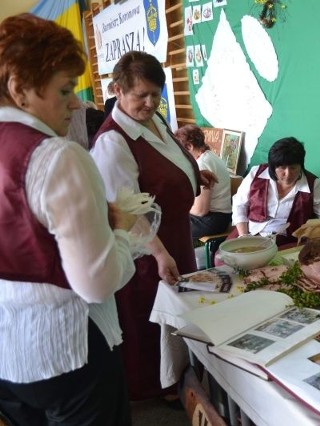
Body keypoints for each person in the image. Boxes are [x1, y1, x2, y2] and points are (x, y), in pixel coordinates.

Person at [0, 14, 137, 425]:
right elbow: (96, 284)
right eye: (64, 90)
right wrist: (123, 234)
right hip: (68, 352)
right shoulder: (58, 156)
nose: (76, 103)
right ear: (20, 90)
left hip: (9, 355)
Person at [91, 51, 211, 401]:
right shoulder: (113, 142)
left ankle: (179, 376)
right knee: (151, 318)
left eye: (156, 95)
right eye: (140, 95)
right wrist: (159, 254)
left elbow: (166, 161)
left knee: (177, 313)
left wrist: (192, 175)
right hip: (147, 249)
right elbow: (126, 214)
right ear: (117, 89)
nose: (149, 102)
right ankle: (161, 389)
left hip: (176, 236)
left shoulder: (152, 120)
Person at [229, 137, 320, 247]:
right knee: (222, 258)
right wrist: (243, 236)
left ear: (301, 165)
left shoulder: (313, 184)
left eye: (293, 168)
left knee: (265, 261)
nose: (288, 173)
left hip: (284, 239)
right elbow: (239, 204)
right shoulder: (256, 173)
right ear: (273, 167)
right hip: (248, 230)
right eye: (282, 168)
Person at [175, 124, 232, 238]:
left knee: (168, 226)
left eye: (179, 150)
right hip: (218, 217)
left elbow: (201, 210)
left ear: (189, 146)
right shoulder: (209, 156)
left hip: (213, 220)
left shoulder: (202, 164)